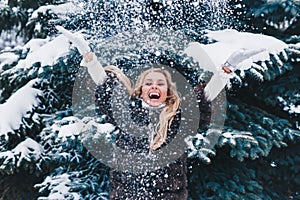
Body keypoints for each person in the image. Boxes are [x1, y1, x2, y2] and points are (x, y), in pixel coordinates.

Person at [80, 51, 211, 199]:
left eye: (160, 83)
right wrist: (91, 61)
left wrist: (225, 71)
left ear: (167, 92)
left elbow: (204, 98)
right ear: (141, 90)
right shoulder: (126, 113)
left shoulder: (178, 118)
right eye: (148, 83)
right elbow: (105, 86)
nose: (154, 86)